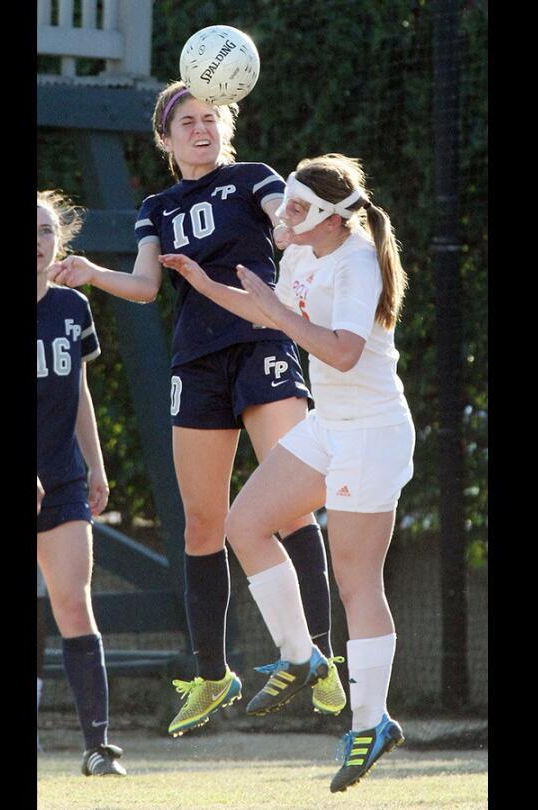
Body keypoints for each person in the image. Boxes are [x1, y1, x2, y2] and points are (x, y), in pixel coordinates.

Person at [47, 81, 343, 737]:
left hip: (262, 342)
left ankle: (321, 657)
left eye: (211, 118)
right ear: (166, 138)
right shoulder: (157, 207)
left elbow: (289, 228)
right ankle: (214, 674)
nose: (201, 129)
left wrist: (304, 230)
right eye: (187, 121)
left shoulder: (252, 179)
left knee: (291, 502)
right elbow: (148, 287)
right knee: (201, 527)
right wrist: (94, 272)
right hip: (198, 362)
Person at [165, 154, 413, 793]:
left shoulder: (356, 260)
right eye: (288, 202)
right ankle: (301, 656)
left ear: (331, 218)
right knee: (242, 524)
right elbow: (261, 312)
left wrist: (278, 311)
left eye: (299, 208)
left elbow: (342, 350)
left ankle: (370, 722)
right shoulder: (301, 252)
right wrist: (202, 280)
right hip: (331, 426)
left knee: (356, 582)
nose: (286, 214)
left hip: (372, 434)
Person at [36, 190, 125, 777]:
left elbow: (81, 392)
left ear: (58, 242)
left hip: (63, 479)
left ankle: (98, 747)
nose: (36, 241)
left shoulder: (72, 307)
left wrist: (95, 463)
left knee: (73, 602)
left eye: (44, 230)